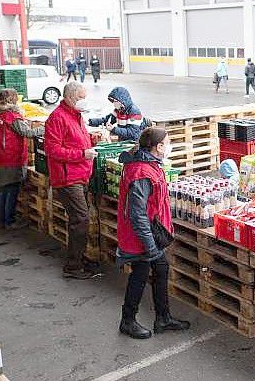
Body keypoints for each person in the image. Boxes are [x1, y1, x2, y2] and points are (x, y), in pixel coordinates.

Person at [117, 127, 190, 339]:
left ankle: (163, 318)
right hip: (142, 237)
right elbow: (138, 214)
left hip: (151, 234)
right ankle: (127, 321)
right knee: (139, 275)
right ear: (158, 147)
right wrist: (149, 246)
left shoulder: (150, 164)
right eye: (167, 142)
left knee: (161, 269)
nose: (169, 146)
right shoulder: (141, 172)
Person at [45, 81, 100, 279]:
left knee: (79, 219)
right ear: (70, 97)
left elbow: (74, 140)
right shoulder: (57, 118)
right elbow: (52, 149)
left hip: (80, 174)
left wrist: (92, 140)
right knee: (81, 219)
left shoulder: (76, 116)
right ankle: (73, 266)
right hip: (68, 178)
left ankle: (78, 256)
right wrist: (82, 154)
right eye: (81, 98)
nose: (84, 101)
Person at [0, 89, 45, 230]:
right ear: (12, 100)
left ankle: (2, 220)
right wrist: (44, 128)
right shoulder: (11, 116)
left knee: (3, 190)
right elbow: (27, 133)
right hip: (11, 158)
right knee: (12, 190)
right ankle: (9, 221)